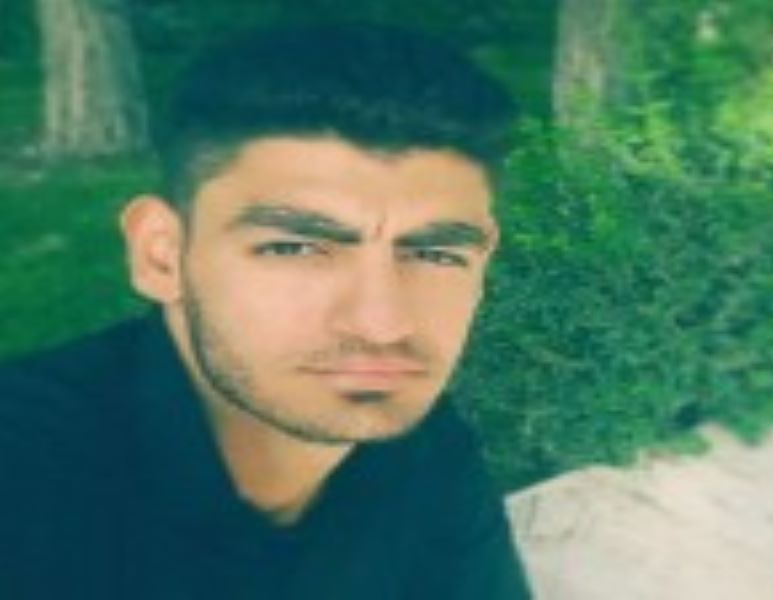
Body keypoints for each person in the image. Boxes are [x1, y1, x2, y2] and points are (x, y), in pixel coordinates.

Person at [0, 24, 531, 599]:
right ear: (162, 256)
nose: (382, 325)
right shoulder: (26, 476)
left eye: (434, 254)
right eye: (294, 248)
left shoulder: (426, 453)